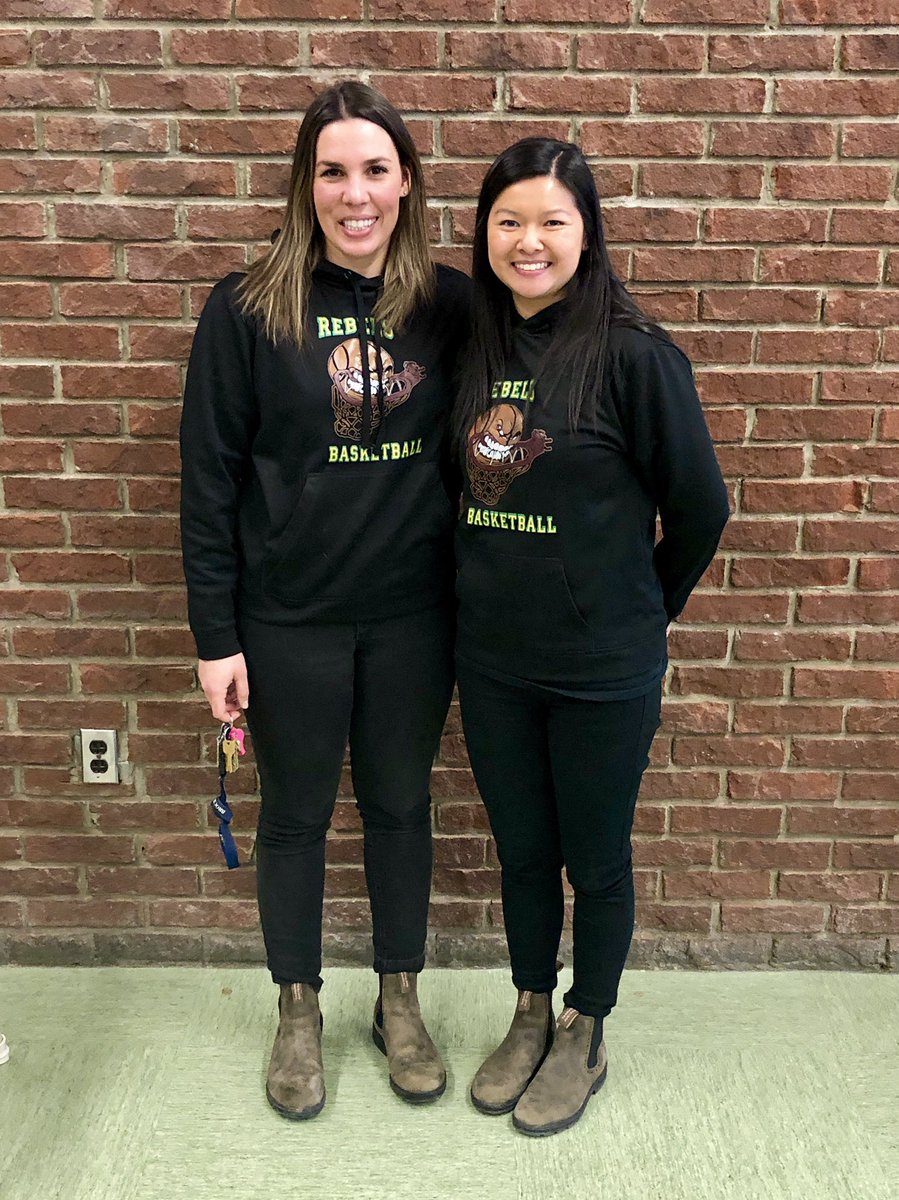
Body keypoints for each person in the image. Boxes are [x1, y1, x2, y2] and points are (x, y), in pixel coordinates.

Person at [179, 81, 470, 1121]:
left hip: (411, 617)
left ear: (405, 184)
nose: (355, 192)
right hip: (288, 618)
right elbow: (208, 480)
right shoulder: (247, 306)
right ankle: (297, 1009)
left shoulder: (447, 303)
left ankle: (399, 996)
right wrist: (216, 636)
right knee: (294, 817)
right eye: (332, 170)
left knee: (398, 806)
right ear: (306, 184)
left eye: (375, 169)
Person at [452, 138, 730, 1137]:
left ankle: (584, 1025)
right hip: (488, 660)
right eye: (507, 221)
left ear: (586, 233)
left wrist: (639, 610)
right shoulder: (472, 345)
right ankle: (529, 1008)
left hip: (600, 671)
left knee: (593, 858)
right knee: (521, 853)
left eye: (551, 222)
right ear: (482, 232)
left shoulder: (633, 355)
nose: (528, 242)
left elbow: (700, 506)